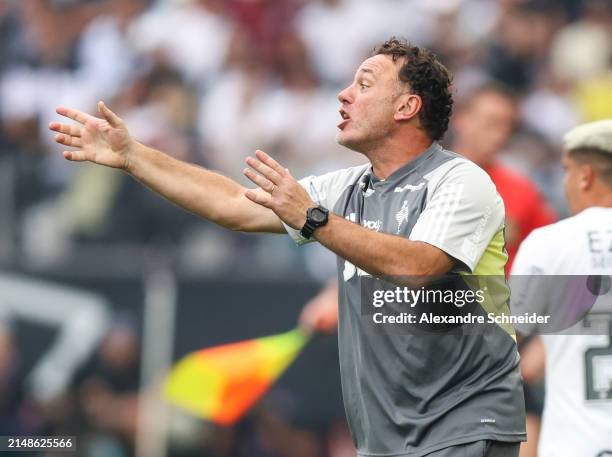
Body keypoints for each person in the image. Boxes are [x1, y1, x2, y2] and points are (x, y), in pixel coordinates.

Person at [49, 38, 525, 457]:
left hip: (462, 422)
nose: (344, 94)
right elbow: (233, 204)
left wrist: (311, 218)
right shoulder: (349, 187)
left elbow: (419, 266)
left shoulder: (460, 181)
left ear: (406, 108)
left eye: (364, 84)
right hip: (389, 434)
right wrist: (134, 156)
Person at [510, 119, 612, 457]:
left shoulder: (550, 242)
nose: (565, 182)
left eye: (568, 171)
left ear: (585, 176)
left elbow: (502, 338)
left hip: (575, 444)